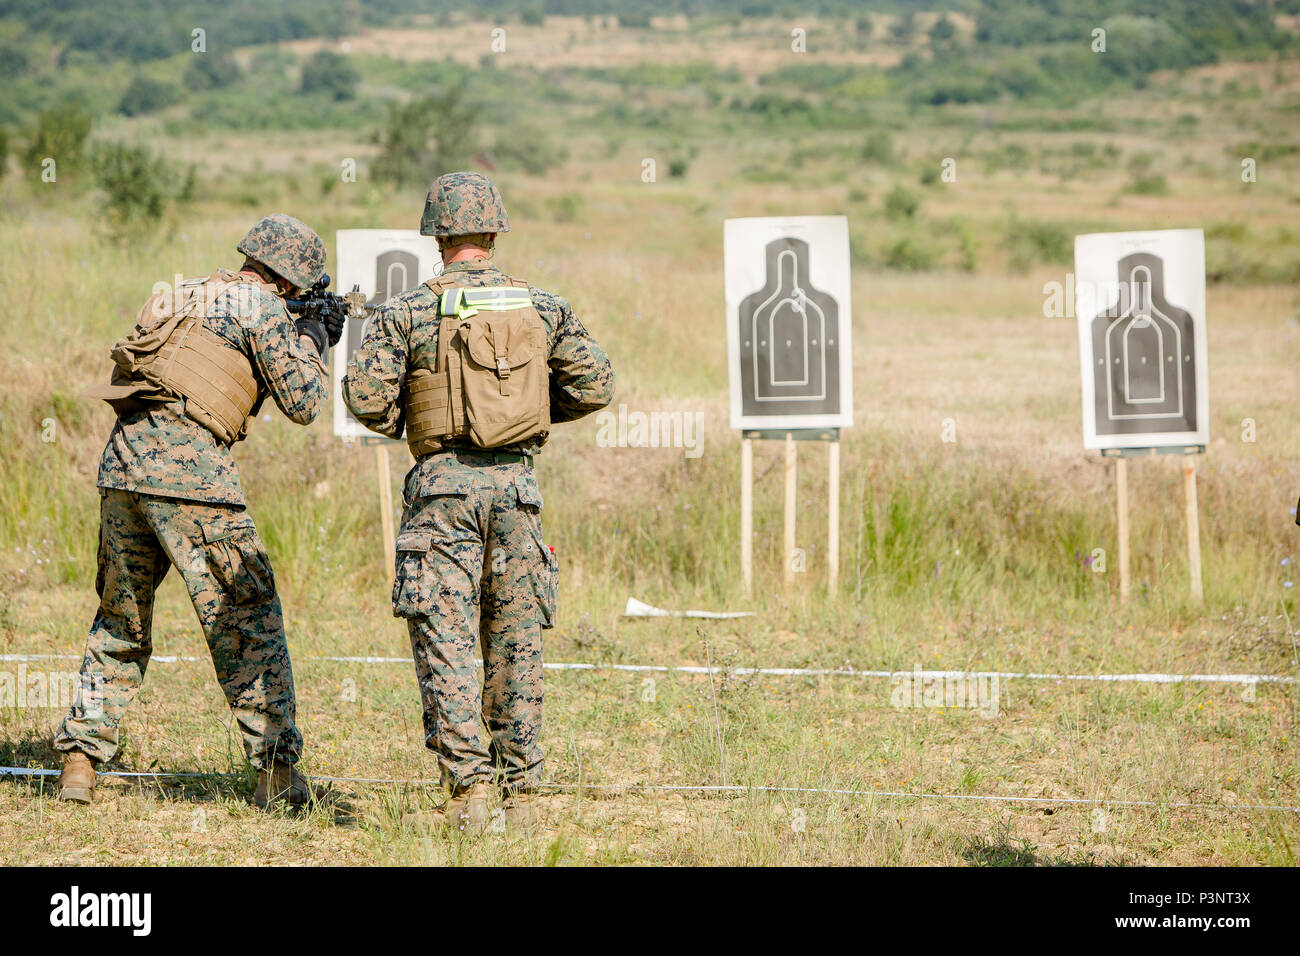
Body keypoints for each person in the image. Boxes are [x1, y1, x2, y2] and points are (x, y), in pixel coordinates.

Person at [343, 172, 614, 833]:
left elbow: (364, 400)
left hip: (441, 492)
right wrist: (526, 416)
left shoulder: (404, 312)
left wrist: (417, 421)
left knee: (447, 638)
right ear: (493, 232)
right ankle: (523, 793)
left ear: (437, 237)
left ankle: (468, 795)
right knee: (516, 640)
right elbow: (596, 384)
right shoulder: (543, 307)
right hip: (517, 493)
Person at [55, 213, 343, 809]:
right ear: (290, 283)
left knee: (119, 622)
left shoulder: (179, 293)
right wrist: (315, 338)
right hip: (193, 478)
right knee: (247, 620)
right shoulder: (262, 309)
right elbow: (305, 402)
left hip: (123, 468)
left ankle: (79, 762)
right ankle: (276, 773)